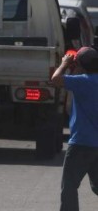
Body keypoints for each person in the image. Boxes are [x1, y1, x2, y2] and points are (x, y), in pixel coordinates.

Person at [50, 46, 98, 211]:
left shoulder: (82, 81)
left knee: (69, 188)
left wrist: (64, 64)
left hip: (81, 144)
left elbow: (55, 79)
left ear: (81, 66)